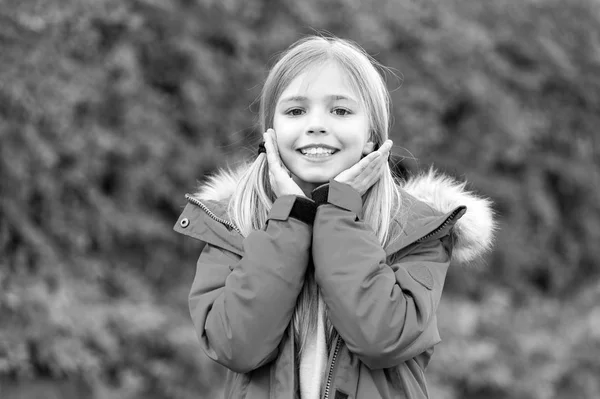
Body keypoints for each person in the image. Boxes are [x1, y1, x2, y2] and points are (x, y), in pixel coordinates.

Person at [173, 35, 495, 399]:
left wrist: (338, 212)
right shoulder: (233, 224)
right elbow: (235, 345)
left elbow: (381, 338)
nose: (316, 125)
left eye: (340, 111)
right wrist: (290, 219)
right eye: (295, 111)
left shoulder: (415, 229)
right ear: (270, 133)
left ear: (372, 135)